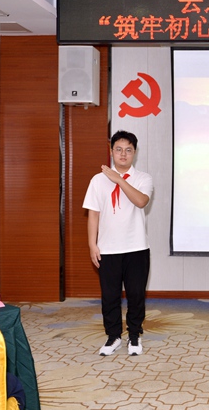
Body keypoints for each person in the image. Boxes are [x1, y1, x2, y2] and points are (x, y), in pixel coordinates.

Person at [83, 130, 153, 356]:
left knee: (136, 295)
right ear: (111, 151)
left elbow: (141, 201)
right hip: (108, 249)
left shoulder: (143, 178)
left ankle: (134, 335)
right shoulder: (97, 180)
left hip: (137, 248)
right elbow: (93, 214)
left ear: (135, 152)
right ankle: (113, 336)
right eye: (119, 149)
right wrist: (92, 245)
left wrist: (119, 180)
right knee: (110, 296)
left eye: (128, 150)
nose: (123, 154)